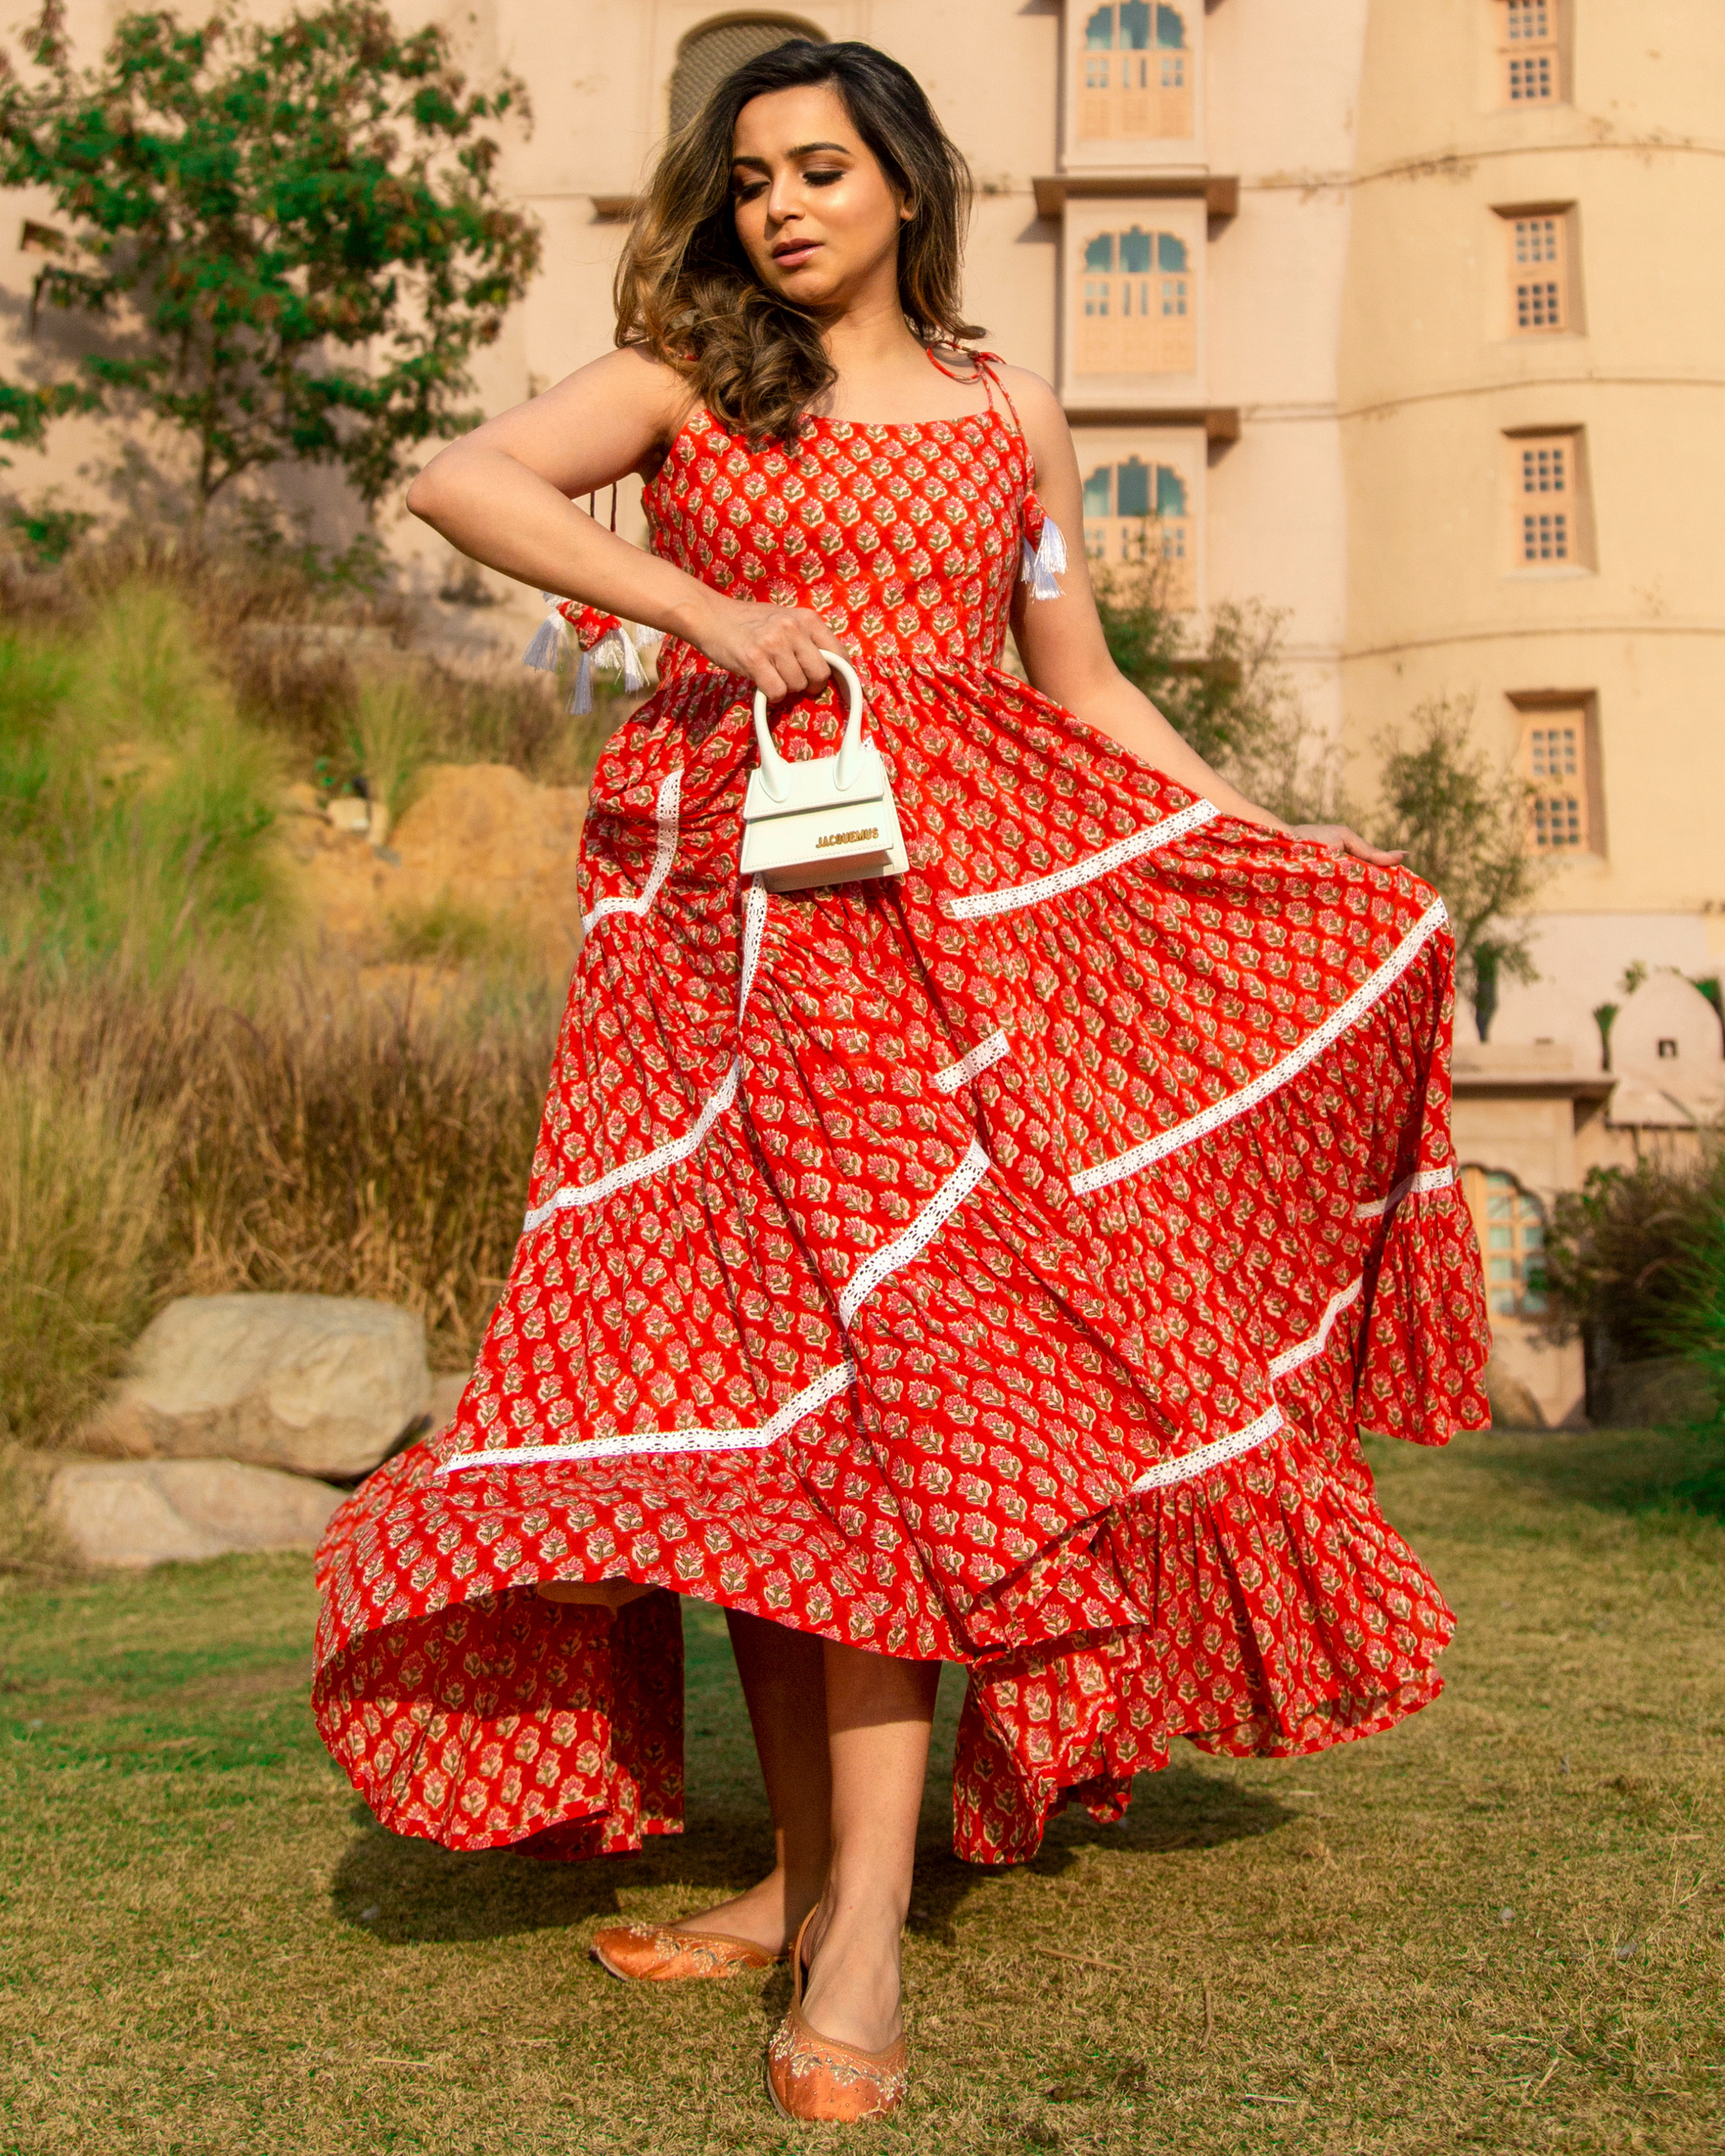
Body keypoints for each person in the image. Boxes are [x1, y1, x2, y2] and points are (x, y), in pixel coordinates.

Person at [313, 36, 1489, 2125]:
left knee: (894, 1399)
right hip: (718, 954)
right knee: (785, 1402)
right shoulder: (690, 376)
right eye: (750, 175)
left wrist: (1282, 855)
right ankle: (798, 1876)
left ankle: (859, 1920)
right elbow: (465, 480)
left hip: (961, 949)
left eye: (820, 170)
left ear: (906, 184)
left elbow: (1087, 681)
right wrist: (700, 601)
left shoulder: (999, 408)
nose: (777, 206)